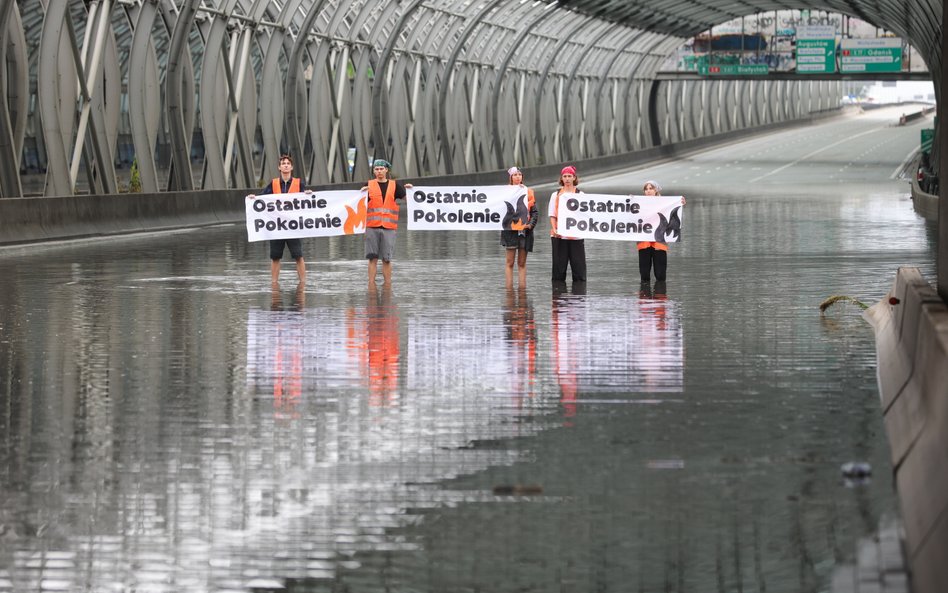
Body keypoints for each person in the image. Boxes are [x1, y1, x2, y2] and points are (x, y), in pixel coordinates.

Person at [246, 154, 309, 285]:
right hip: (276, 226)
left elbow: (307, 203)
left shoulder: (299, 183)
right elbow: (263, 199)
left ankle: (303, 283)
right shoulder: (273, 184)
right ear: (279, 167)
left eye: (288, 163)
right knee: (275, 256)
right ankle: (274, 283)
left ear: (291, 167)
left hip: (293, 226)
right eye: (283, 163)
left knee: (298, 255)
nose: (285, 165)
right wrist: (254, 198)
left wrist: (308, 194)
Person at [364, 159, 411, 285]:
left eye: (381, 169)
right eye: (376, 169)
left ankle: (387, 285)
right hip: (372, 227)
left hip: (389, 228)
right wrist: (360, 193)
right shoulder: (368, 186)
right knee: (372, 258)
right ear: (374, 171)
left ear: (386, 170)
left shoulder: (395, 186)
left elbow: (410, 200)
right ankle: (371, 285)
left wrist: (412, 190)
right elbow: (356, 202)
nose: (379, 171)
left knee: (387, 259)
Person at [636, 180, 685, 284]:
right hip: (644, 243)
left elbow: (674, 211)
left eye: (651, 188)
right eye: (646, 189)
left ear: (656, 190)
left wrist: (681, 202)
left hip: (659, 242)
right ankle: (645, 298)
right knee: (644, 275)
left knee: (660, 275)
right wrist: (628, 200)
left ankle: (660, 298)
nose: (648, 191)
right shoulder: (638, 203)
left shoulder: (664, 203)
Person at [501, 166, 539, 288]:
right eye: (515, 175)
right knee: (510, 262)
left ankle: (522, 290)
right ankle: (509, 290)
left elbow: (534, 212)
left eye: (519, 174)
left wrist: (530, 225)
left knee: (522, 263)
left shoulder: (528, 192)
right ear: (510, 177)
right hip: (510, 231)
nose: (518, 177)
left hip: (525, 231)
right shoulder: (504, 192)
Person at [548, 165, 586, 283]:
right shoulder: (556, 195)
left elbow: (586, 215)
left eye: (570, 176)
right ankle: (558, 298)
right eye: (565, 176)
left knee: (579, 270)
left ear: (574, 178)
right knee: (558, 270)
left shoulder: (581, 195)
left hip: (576, 236)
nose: (567, 179)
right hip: (559, 236)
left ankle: (579, 298)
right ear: (562, 178)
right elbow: (552, 214)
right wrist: (554, 229)